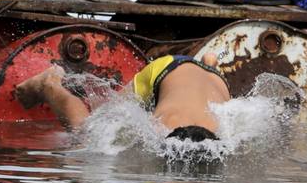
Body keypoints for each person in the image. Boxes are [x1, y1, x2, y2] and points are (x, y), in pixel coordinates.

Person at [14, 54, 232, 144]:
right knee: (87, 131)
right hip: (163, 72)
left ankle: (208, 59)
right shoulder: (160, 127)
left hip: (212, 76)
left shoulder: (228, 132)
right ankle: (50, 82)